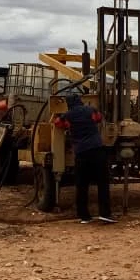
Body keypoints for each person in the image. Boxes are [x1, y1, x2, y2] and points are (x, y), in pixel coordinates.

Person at [52, 93, 115, 224]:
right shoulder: (90, 110)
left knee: (82, 185)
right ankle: (105, 214)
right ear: (80, 101)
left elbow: (58, 123)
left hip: (81, 152)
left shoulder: (68, 115)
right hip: (97, 150)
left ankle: (84, 216)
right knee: (102, 182)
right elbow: (98, 118)